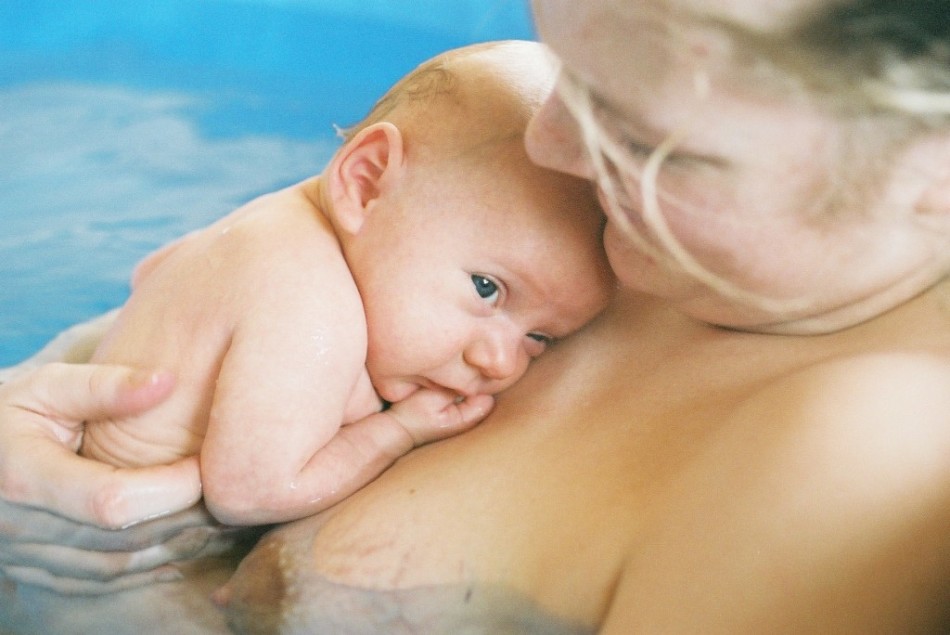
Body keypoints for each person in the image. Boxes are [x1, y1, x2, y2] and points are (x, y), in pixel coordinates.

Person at [2, 0, 949, 632]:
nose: (550, 145)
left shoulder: (864, 462)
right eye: (566, 63)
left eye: (645, 137)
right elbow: (213, 296)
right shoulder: (592, 199)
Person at [76, 40, 613, 526]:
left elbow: (150, 273)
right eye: (487, 289)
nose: (501, 364)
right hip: (107, 557)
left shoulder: (271, 226)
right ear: (367, 183)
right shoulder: (312, 307)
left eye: (540, 339)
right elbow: (248, 494)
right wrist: (396, 433)